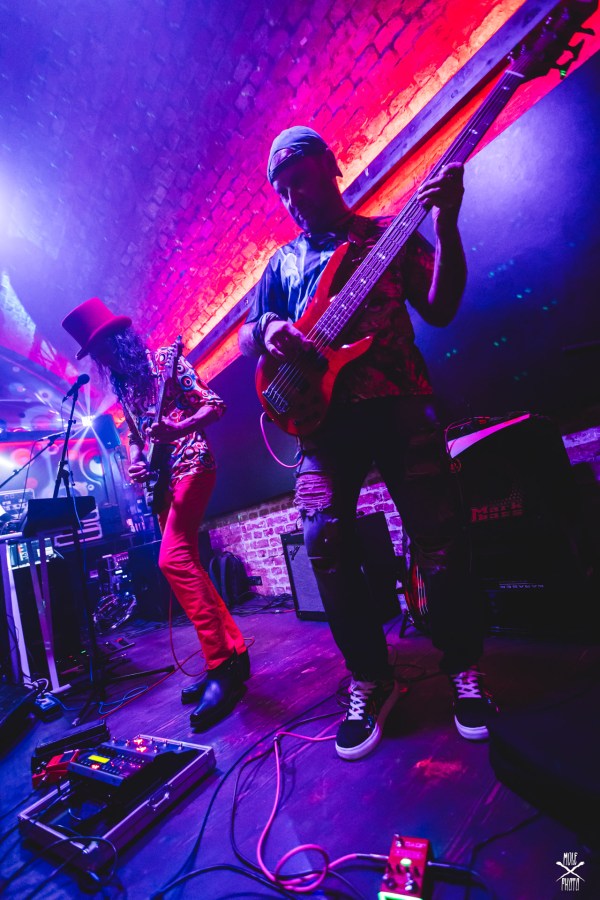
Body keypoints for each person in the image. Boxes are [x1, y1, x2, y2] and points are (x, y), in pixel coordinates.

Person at [239, 126, 495, 761]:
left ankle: (464, 669)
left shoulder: (388, 234)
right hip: (320, 422)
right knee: (323, 541)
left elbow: (441, 307)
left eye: (300, 180)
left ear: (330, 166)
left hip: (400, 403)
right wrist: (268, 330)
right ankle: (372, 678)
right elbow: (246, 333)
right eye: (281, 191)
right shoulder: (281, 264)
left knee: (439, 536)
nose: (292, 198)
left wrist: (448, 224)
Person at [62, 297, 249, 730]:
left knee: (173, 559)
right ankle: (235, 654)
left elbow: (215, 404)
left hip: (193, 464)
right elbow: (135, 435)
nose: (104, 359)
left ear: (121, 340)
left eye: (105, 348)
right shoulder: (126, 389)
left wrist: (179, 427)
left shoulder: (166, 361)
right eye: (97, 355)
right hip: (162, 479)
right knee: (190, 566)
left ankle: (220, 666)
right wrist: (136, 460)